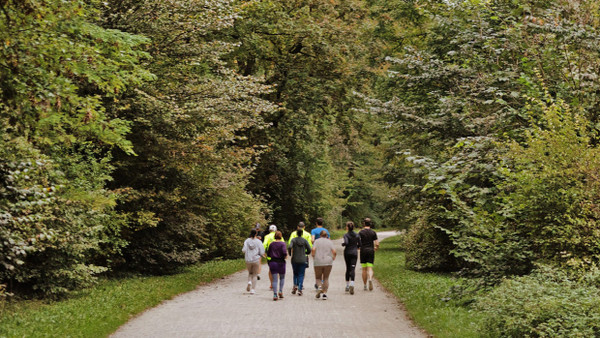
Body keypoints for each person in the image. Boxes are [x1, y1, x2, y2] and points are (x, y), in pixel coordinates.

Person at [312, 230, 336, 300]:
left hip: (318, 261)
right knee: (326, 278)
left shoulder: (316, 241)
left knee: (318, 278)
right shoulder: (330, 242)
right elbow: (334, 251)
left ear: (320, 235)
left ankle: (319, 287)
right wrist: (333, 257)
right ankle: (324, 294)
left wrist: (313, 256)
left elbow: (313, 249)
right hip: (328, 261)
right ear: (327, 236)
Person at [242, 229, 265, 295]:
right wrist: (260, 254)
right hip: (256, 259)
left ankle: (249, 281)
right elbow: (262, 251)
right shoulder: (258, 241)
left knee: (250, 273)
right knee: (255, 274)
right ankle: (253, 290)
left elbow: (244, 250)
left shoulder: (247, 240)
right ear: (256, 234)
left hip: (248, 259)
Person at [288, 229, 311, 296]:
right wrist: (306, 252)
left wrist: (290, 253)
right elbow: (309, 249)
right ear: (302, 233)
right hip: (303, 259)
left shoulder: (293, 240)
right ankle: (300, 289)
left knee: (295, 273)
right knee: (301, 274)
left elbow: (289, 246)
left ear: (296, 233)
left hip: (294, 259)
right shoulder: (304, 240)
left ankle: (295, 285)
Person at [358, 218, 379, 291]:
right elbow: (377, 243)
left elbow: (358, 242)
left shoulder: (360, 232)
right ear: (370, 224)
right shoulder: (373, 232)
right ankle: (370, 279)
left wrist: (358, 248)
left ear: (364, 224)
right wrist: (376, 247)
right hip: (370, 251)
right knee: (370, 268)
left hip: (363, 251)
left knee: (364, 269)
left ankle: (364, 285)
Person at [266, 231, 287, 301]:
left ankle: (275, 294)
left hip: (273, 262)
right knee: (282, 277)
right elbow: (284, 252)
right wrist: (285, 256)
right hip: (281, 262)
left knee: (274, 279)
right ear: (281, 236)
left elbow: (268, 253)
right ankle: (280, 291)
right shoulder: (283, 244)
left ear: (275, 236)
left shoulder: (271, 244)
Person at [341, 221, 360, 295]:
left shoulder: (346, 235)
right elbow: (360, 244)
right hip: (354, 253)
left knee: (347, 268)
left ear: (347, 227)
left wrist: (343, 244)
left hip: (347, 253)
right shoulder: (357, 235)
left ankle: (347, 285)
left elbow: (346, 242)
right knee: (353, 268)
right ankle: (352, 283)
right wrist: (356, 247)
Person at [310, 217, 330, 289]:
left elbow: (312, 240)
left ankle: (319, 283)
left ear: (316, 223)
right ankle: (322, 281)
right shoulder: (326, 230)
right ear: (322, 223)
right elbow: (329, 240)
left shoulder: (313, 231)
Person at [263, 224, 278, 289]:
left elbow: (264, 244)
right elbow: (282, 244)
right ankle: (275, 282)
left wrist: (263, 252)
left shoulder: (267, 236)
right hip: (278, 256)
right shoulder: (279, 236)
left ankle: (271, 284)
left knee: (271, 270)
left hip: (270, 256)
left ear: (269, 230)